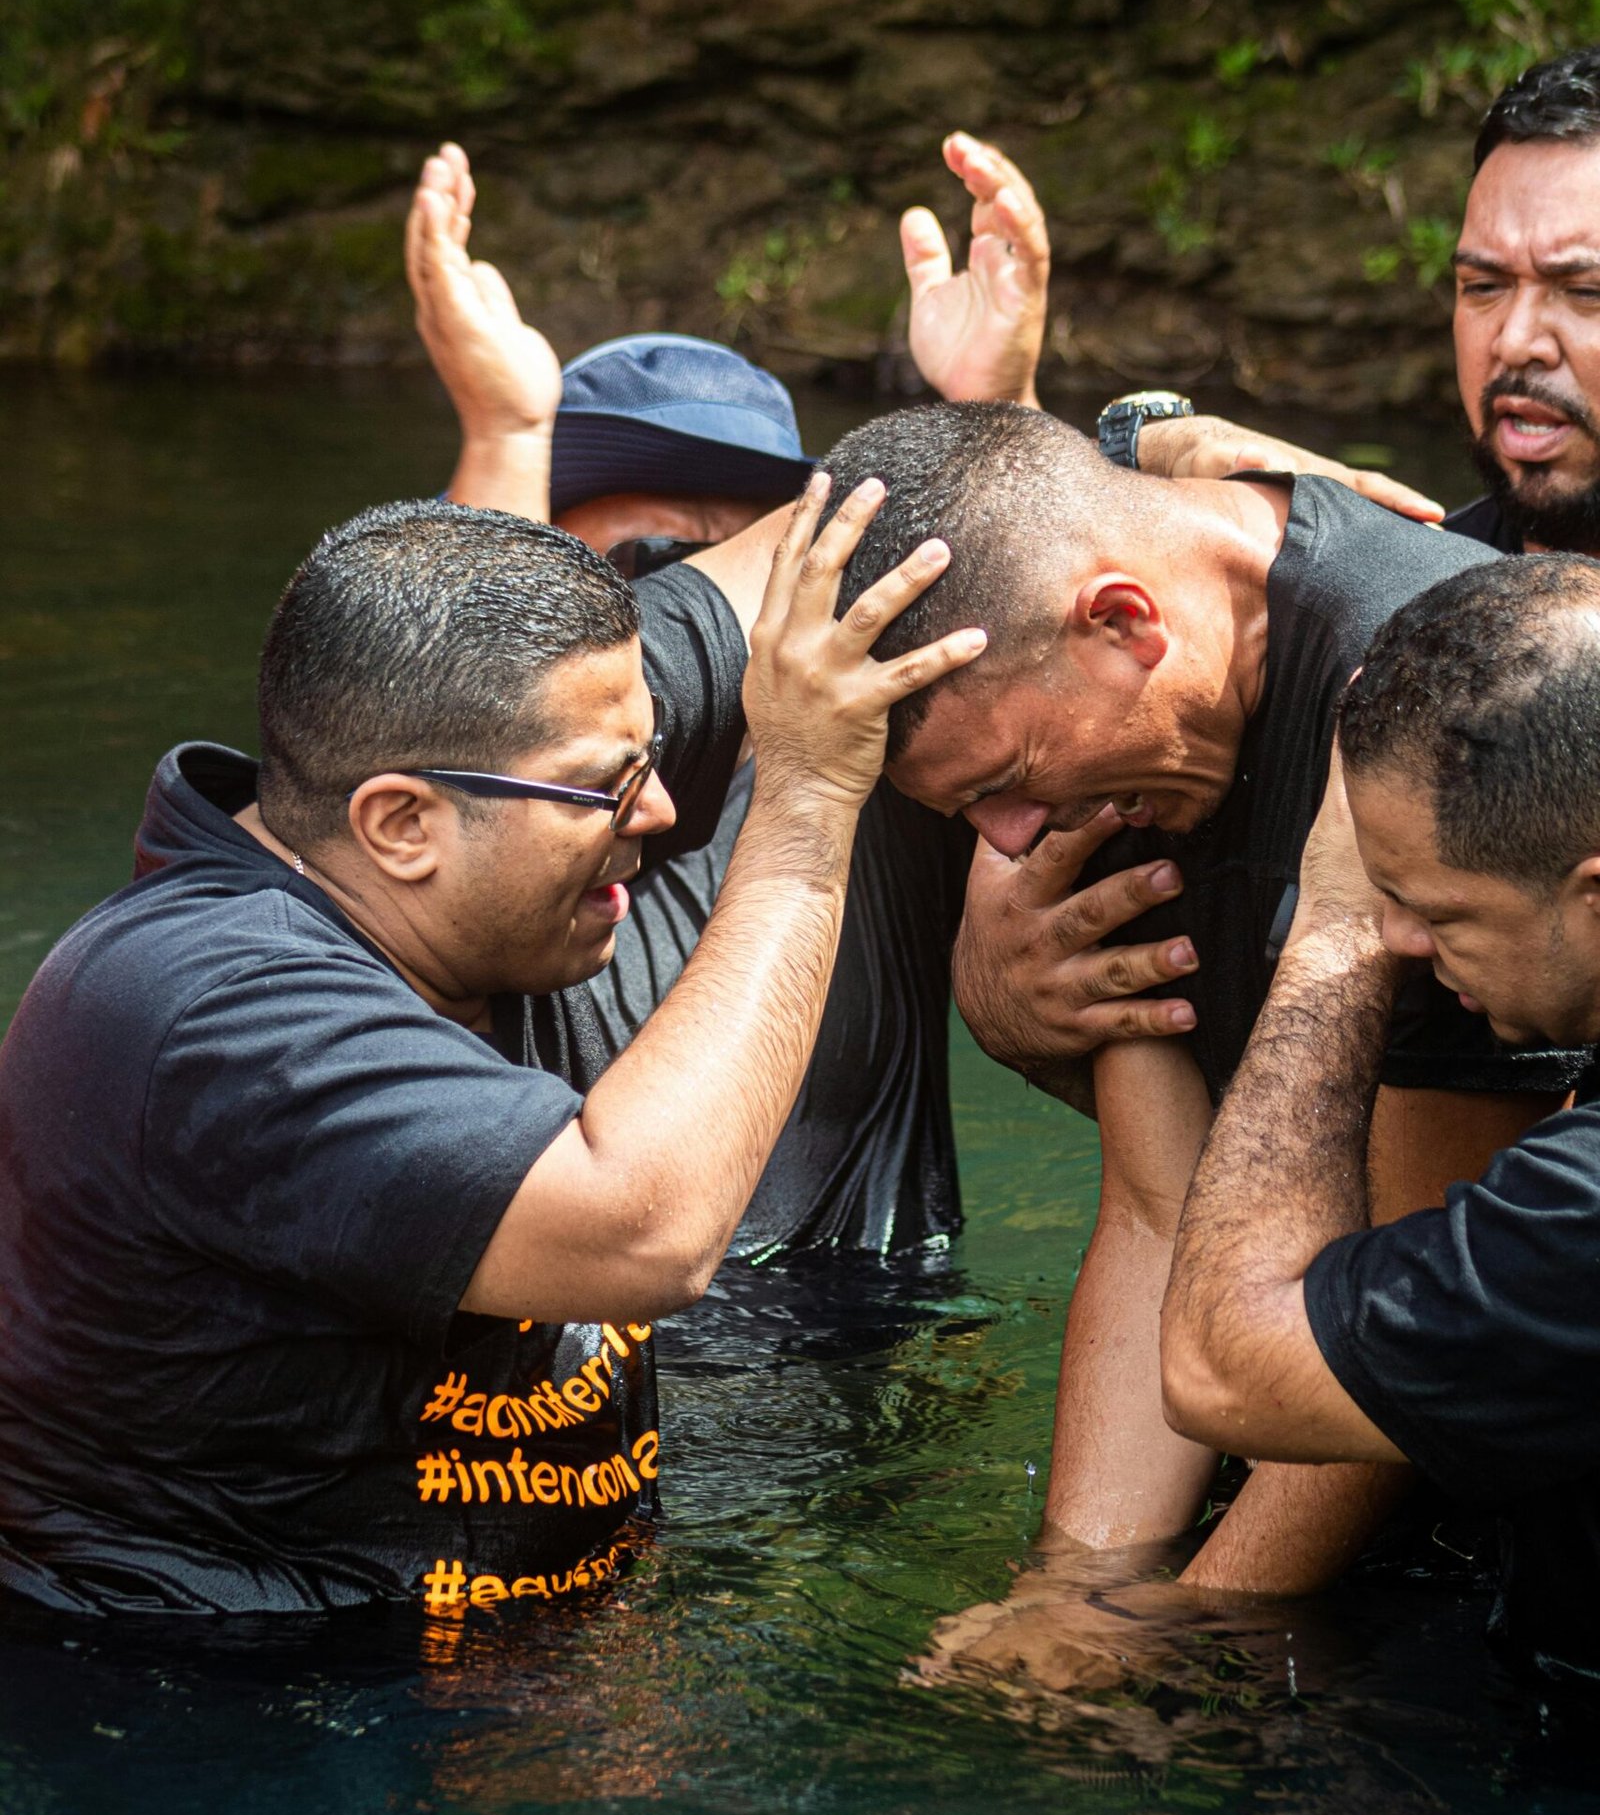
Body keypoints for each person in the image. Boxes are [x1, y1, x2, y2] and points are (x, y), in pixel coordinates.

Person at [0, 487, 984, 1616]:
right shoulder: (208, 1012)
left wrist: (1144, 462)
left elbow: (828, 539)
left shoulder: (541, 715)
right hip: (245, 1700)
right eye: (605, 787)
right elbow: (646, 1234)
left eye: (650, 751)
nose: (659, 807)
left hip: (530, 1640)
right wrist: (808, 803)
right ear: (401, 825)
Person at [820, 397, 1588, 1604]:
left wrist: (1189, 1623)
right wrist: (1075, 1589)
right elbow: (1152, 1207)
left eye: (1007, 783)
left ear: (1122, 623)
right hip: (1282, 1362)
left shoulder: (1425, 713)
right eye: (962, 815)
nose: (1007, 844)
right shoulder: (1116, 752)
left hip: (1437, 1419)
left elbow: (1405, 1313)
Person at [400, 131, 1051, 1264]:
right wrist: (505, 435)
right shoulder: (473, 829)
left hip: (860, 1366)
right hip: (592, 1373)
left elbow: (1014, 633)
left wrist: (993, 414)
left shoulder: (881, 770)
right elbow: (460, 690)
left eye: (731, 546)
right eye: (637, 557)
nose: (690, 587)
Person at [1162, 553, 1600, 1696]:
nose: (1409, 938)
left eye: (1435, 907)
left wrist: (1336, 927)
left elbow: (1221, 1364)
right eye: (1387, 898)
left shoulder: (1581, 1216)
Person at [1123, 46, 1600, 562]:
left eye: (1585, 292)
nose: (1515, 341)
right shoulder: (1410, 592)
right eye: (1484, 286)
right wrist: (1146, 445)